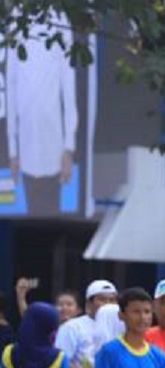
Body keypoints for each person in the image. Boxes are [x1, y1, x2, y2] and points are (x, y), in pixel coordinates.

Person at [5, 11, 79, 217]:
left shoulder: (61, 20)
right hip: (26, 152)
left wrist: (68, 148)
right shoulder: (16, 21)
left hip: (53, 149)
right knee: (30, 229)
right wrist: (12, 150)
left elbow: (68, 86)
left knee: (51, 227)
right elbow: (11, 85)